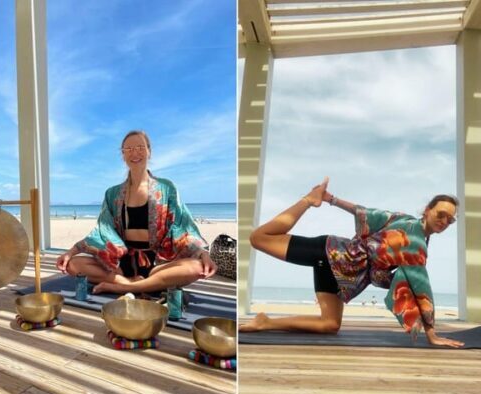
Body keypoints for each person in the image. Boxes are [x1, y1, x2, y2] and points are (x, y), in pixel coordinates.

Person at [240, 177, 464, 348]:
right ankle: (307, 200)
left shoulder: (406, 222)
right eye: (440, 214)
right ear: (427, 210)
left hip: (337, 269)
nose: (444, 221)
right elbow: (420, 285)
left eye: (450, 219)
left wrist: (333, 200)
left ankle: (265, 322)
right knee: (258, 238)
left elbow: (366, 213)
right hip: (330, 252)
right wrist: (431, 333)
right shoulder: (416, 242)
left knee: (330, 325)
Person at [56, 130, 216, 294]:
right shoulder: (112, 194)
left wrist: (203, 254)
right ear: (123, 155)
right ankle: (132, 283)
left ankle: (124, 288)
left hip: (158, 263)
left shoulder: (167, 188)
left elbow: (182, 226)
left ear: (149, 151)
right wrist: (70, 252)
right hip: (120, 265)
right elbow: (101, 232)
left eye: (140, 147)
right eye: (129, 149)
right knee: (73, 265)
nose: (135, 153)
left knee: (196, 268)